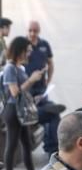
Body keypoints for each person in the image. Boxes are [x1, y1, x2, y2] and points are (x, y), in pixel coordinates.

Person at [2, 37, 44, 170]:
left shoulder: (20, 68)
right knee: (12, 144)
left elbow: (22, 93)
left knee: (27, 144)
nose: (29, 54)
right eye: (27, 51)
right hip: (12, 111)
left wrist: (34, 97)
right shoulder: (10, 68)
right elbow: (14, 93)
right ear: (19, 51)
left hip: (20, 110)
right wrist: (32, 80)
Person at [26, 21, 65, 155]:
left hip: (41, 89)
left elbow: (50, 63)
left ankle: (52, 147)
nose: (32, 33)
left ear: (39, 31)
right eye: (30, 30)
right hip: (27, 90)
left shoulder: (44, 45)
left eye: (35, 31)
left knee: (54, 114)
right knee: (51, 112)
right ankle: (52, 148)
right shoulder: (23, 45)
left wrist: (48, 80)